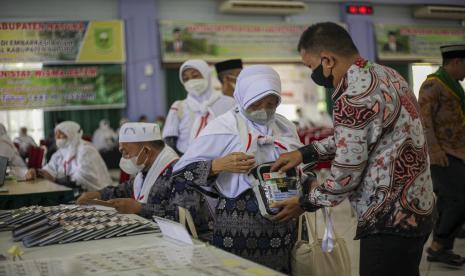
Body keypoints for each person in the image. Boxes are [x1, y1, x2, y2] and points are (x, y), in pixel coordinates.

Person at [270, 22, 434, 276]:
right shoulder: (387, 74)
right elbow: (354, 136)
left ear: (327, 61)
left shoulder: (352, 97)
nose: (313, 73)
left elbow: (345, 175)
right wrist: (305, 153)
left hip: (387, 219)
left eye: (310, 66)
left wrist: (304, 202)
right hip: (418, 208)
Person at [172, 65, 303, 273]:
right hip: (238, 231)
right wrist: (217, 165)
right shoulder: (223, 128)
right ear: (242, 98)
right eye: (256, 103)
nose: (264, 110)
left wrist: (307, 188)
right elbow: (179, 174)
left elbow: (302, 166)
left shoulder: (284, 127)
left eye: (271, 103)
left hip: (283, 228)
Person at [77, 123, 209, 231]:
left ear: (146, 151)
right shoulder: (146, 171)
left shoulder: (180, 172)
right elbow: (125, 189)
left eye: (125, 152)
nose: (124, 158)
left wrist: (139, 208)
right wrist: (98, 194)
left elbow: (187, 217)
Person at [418, 44, 465, 266]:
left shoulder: (453, 84)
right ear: (456, 62)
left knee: (451, 200)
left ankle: (441, 246)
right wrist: (434, 151)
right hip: (443, 154)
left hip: (458, 152)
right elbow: (424, 120)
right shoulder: (432, 84)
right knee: (457, 199)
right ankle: (438, 245)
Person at [163, 59, 235, 155]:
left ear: (207, 75)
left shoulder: (228, 103)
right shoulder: (178, 107)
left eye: (195, 76)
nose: (191, 81)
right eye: (186, 79)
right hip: (185, 159)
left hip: (222, 159)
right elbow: (169, 140)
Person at [30, 121, 112, 194]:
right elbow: (49, 169)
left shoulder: (86, 149)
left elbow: (83, 178)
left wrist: (56, 180)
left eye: (60, 133)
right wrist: (36, 172)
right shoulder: (60, 152)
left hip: (92, 195)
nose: (57, 137)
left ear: (70, 133)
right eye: (56, 133)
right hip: (69, 192)